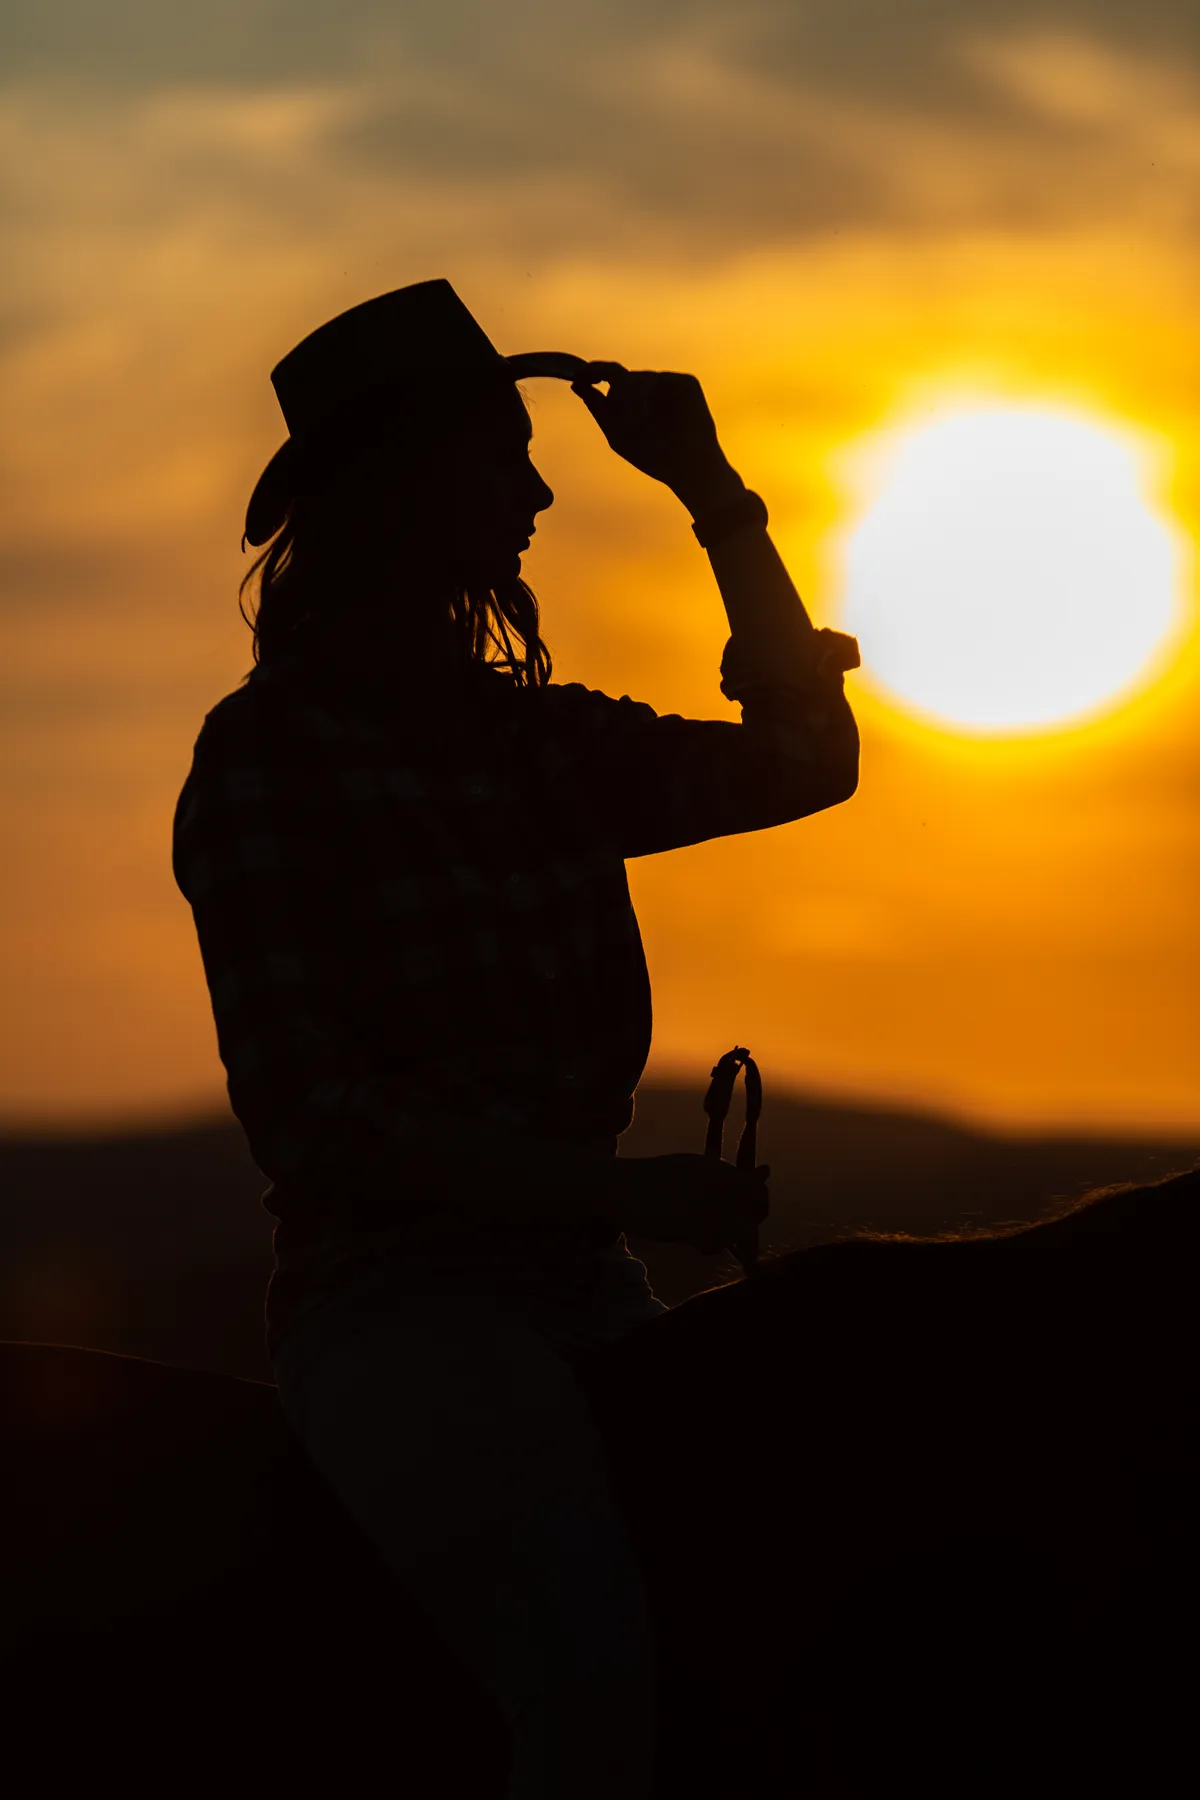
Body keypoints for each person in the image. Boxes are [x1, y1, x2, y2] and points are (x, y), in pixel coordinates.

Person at [171, 278, 860, 1798]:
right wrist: (629, 1193)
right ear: (407, 489)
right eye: (506, 461)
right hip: (398, 1313)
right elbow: (319, 1123)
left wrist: (715, 495)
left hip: (585, 1289)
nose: (541, 496)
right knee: (589, 1677)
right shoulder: (267, 761)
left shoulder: (537, 739)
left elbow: (809, 759)